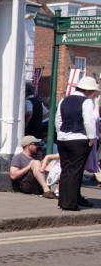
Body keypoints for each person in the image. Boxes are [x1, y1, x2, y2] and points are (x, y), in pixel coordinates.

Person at [54, 75, 99, 211]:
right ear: (89, 91)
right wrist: (91, 138)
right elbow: (89, 121)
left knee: (65, 170)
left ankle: (62, 201)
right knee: (75, 172)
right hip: (79, 139)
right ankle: (70, 204)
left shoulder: (64, 100)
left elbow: (58, 120)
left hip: (62, 139)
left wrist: (60, 134)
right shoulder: (86, 102)